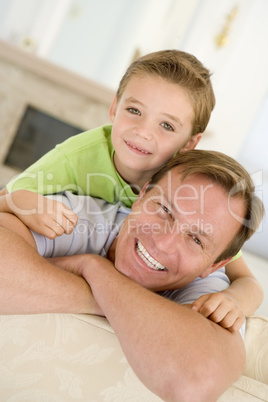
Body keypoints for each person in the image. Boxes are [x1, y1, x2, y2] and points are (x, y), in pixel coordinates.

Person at [0, 50, 263, 331]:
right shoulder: (75, 157)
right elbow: (7, 196)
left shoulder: (183, 186)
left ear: (189, 142)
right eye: (134, 111)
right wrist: (27, 201)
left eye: (166, 125)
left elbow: (247, 281)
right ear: (114, 107)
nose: (143, 132)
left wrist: (234, 301)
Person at [0, 150, 264, 401]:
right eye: (164, 210)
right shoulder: (77, 218)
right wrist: (104, 298)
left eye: (196, 239)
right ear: (141, 197)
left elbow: (194, 383)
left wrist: (93, 269)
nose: (163, 243)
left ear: (216, 265)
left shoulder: (211, 292)